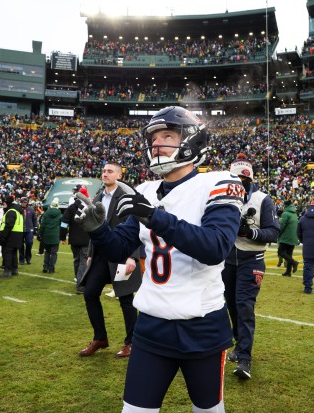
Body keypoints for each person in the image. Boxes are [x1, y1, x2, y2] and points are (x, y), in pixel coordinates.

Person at [75, 106, 243, 412]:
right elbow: (119, 248)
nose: (157, 144)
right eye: (153, 139)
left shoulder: (218, 182)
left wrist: (154, 217)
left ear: (192, 141)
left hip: (202, 324)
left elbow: (216, 246)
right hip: (152, 324)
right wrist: (98, 230)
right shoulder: (146, 190)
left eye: (167, 135)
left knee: (208, 410)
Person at [77, 161, 142, 358]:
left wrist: (133, 256)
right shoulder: (97, 197)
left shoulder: (127, 196)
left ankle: (132, 342)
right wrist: (90, 254)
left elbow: (137, 227)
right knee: (90, 293)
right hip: (100, 255)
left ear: (119, 176)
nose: (105, 174)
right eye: (104, 171)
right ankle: (100, 338)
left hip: (122, 254)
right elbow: (93, 228)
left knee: (125, 299)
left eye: (110, 171)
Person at [222, 153, 279, 380]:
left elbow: (273, 232)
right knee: (231, 305)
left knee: (244, 306)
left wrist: (249, 232)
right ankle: (238, 345)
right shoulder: (224, 197)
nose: (237, 184)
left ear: (249, 179)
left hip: (251, 258)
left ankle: (245, 356)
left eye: (241, 180)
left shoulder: (263, 199)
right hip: (228, 259)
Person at [60, 185, 90, 293]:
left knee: (77, 260)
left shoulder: (71, 208)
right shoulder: (89, 207)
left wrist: (62, 237)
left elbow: (63, 223)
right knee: (83, 261)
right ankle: (80, 285)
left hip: (73, 239)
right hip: (86, 239)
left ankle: (78, 279)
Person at [0, 196, 24, 278]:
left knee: (7, 253)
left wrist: (3, 236)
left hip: (11, 235)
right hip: (18, 235)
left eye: (4, 203)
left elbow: (9, 225)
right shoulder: (18, 211)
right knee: (13, 253)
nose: (3, 205)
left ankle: (7, 271)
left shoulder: (11, 212)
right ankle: (14, 269)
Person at [39, 197, 62, 273]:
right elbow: (62, 226)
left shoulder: (46, 214)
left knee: (47, 252)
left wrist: (40, 234)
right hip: (55, 236)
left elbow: (42, 225)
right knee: (54, 253)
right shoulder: (60, 215)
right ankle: (51, 268)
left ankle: (45, 266)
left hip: (46, 235)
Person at [278, 199, 300, 276]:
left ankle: (294, 262)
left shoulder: (285, 214)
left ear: (285, 206)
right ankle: (288, 272)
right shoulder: (294, 214)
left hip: (286, 237)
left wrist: (278, 234)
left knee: (280, 252)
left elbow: (282, 226)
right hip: (293, 237)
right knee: (289, 254)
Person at [19, 197, 37, 265]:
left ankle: (28, 258)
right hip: (20, 229)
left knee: (29, 243)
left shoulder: (31, 209)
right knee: (20, 245)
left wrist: (35, 227)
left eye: (25, 202)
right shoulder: (18, 209)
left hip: (29, 229)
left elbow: (34, 219)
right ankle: (21, 259)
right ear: (21, 202)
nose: (24, 203)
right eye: (23, 202)